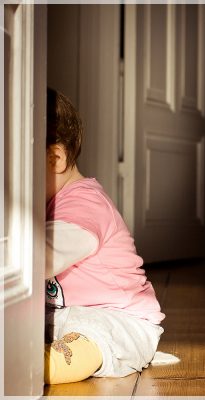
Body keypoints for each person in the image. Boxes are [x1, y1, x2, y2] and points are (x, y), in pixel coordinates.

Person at [44, 88, 165, 385]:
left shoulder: (84, 203)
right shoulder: (46, 202)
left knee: (88, 340)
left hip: (120, 319)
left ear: (54, 159)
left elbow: (42, 256)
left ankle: (42, 365)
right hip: (65, 315)